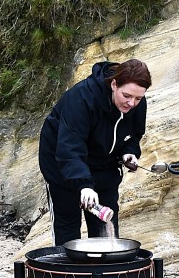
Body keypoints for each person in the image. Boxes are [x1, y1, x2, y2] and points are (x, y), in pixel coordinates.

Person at [39, 59, 150, 246]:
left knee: (105, 225)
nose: (132, 103)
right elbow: (70, 147)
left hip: (104, 166)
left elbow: (133, 135)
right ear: (114, 84)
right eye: (127, 96)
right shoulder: (82, 98)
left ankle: (103, 273)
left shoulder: (137, 103)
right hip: (62, 163)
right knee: (68, 226)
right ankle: (70, 274)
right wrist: (84, 185)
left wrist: (129, 152)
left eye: (138, 98)